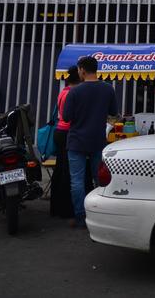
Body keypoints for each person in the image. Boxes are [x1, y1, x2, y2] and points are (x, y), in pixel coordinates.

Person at [62, 56, 119, 227]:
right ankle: (98, 216)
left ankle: (80, 217)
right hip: (98, 140)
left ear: (82, 70)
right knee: (99, 179)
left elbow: (66, 117)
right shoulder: (108, 89)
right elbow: (113, 112)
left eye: (79, 70)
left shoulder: (74, 91)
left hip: (76, 141)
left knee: (77, 181)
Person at [50, 65, 81, 219]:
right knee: (68, 171)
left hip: (59, 131)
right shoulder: (74, 93)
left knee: (60, 168)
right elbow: (71, 116)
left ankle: (56, 207)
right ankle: (66, 209)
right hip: (68, 132)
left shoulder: (63, 91)